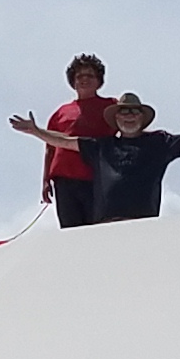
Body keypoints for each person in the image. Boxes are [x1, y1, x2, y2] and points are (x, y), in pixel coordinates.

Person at [6, 92, 180, 224]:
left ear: (142, 117)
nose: (129, 116)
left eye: (134, 112)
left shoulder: (159, 142)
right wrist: (36, 131)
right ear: (116, 119)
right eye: (123, 112)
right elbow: (63, 141)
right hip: (104, 227)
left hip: (143, 228)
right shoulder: (101, 146)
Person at [37, 54, 118, 229]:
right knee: (70, 231)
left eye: (90, 75)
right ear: (73, 82)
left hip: (97, 178)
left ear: (99, 80)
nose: (84, 80)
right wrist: (45, 180)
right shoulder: (60, 113)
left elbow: (129, 130)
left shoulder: (111, 106)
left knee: (98, 228)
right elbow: (50, 148)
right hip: (64, 180)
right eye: (79, 76)